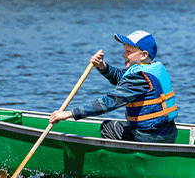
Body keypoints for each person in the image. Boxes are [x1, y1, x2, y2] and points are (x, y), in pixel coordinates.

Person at [47, 30, 178, 143]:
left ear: (143, 55)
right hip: (168, 132)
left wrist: (69, 114)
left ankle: (122, 165)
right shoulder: (152, 68)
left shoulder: (138, 77)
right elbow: (122, 78)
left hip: (150, 137)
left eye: (128, 51)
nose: (123, 55)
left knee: (108, 127)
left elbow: (109, 102)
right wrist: (102, 66)